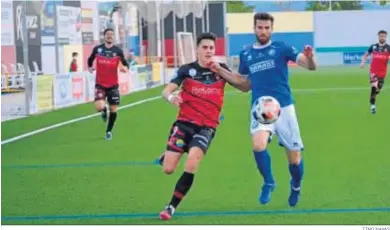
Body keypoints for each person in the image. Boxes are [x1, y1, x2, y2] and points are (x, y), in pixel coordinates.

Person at [208, 12, 317, 207]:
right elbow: (244, 84)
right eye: (260, 27)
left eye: (267, 28)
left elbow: (310, 66)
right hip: (261, 108)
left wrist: (310, 57)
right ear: (254, 28)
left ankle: (296, 186)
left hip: (283, 108)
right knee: (258, 145)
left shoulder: (281, 48)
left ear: (271, 29)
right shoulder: (246, 53)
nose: (263, 31)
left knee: (294, 159)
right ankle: (268, 182)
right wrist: (220, 71)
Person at [158, 32, 231, 220]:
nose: (208, 51)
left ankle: (171, 207)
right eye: (205, 47)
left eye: (211, 48)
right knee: (167, 170)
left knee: (192, 162)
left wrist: (223, 72)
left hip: (207, 127)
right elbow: (166, 90)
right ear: (197, 49)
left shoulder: (221, 69)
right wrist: (170, 97)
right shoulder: (186, 70)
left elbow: (241, 83)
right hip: (184, 123)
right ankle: (169, 152)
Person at [87, 28, 129, 140]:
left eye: (111, 34)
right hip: (100, 84)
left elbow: (126, 64)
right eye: (107, 34)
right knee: (99, 106)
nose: (109, 36)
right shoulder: (98, 49)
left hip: (113, 85)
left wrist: (124, 68)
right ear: (104, 36)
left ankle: (109, 131)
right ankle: (103, 110)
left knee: (114, 109)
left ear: (113, 37)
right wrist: (90, 67)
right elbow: (90, 59)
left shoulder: (118, 51)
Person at [360, 30, 390, 114]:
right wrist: (363, 62)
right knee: (373, 87)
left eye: (384, 36)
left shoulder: (388, 48)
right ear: (378, 37)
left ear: (386, 37)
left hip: (382, 73)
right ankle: (373, 107)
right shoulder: (373, 47)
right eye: (381, 36)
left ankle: (372, 97)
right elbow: (366, 54)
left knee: (378, 89)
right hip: (373, 71)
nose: (382, 37)